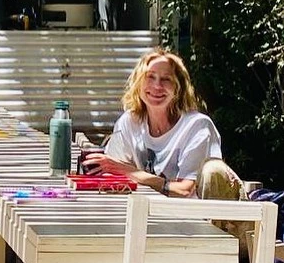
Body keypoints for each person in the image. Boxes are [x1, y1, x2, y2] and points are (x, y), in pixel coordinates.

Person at [82, 47, 246, 199]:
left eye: (166, 79)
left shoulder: (197, 127)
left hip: (196, 222)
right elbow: (113, 175)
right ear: (138, 83)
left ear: (178, 89)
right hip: (146, 214)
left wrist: (129, 171)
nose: (157, 86)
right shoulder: (129, 122)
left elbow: (184, 191)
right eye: (150, 77)